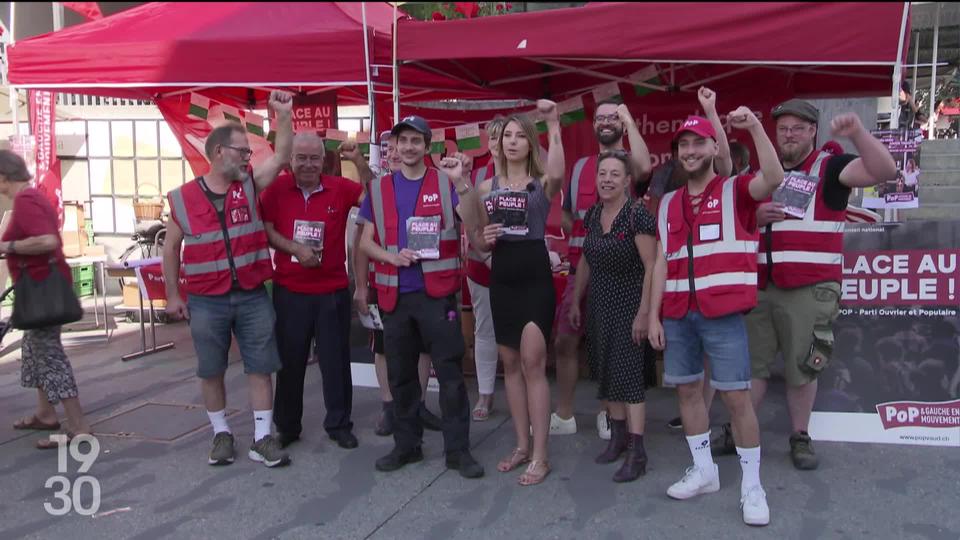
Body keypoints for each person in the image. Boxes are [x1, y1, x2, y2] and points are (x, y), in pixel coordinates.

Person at [711, 99, 898, 471]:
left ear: (813, 131)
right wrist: (756, 215)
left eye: (798, 128)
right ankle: (739, 431)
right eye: (783, 128)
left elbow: (885, 169)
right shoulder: (766, 168)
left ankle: (800, 435)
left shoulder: (831, 167)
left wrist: (857, 133)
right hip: (761, 286)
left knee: (802, 368)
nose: (789, 135)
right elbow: (735, 213)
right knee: (753, 369)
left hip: (810, 288)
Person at [648, 107, 784, 526]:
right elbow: (661, 262)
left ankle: (752, 485)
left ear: (714, 148)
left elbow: (774, 179)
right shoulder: (668, 202)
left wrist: (755, 126)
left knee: (737, 399)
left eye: (697, 143)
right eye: (683, 145)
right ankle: (704, 470)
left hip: (722, 314)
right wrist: (653, 316)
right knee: (687, 393)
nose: (689, 151)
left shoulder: (736, 190)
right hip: (677, 315)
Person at [163, 90, 294, 468]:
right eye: (242, 151)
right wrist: (174, 297)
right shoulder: (182, 198)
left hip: (252, 294)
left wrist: (282, 115)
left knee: (260, 366)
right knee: (211, 369)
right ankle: (221, 434)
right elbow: (171, 249)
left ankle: (262, 439)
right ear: (220, 152)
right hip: (207, 300)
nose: (248, 158)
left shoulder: (249, 184)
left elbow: (282, 155)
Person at [358, 115, 485, 478]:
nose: (409, 147)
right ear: (394, 147)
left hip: (438, 296)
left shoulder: (446, 183)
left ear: (427, 147)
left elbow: (474, 224)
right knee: (401, 376)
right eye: (403, 141)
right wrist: (391, 257)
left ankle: (458, 451)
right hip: (395, 297)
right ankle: (407, 445)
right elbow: (366, 242)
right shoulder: (379, 189)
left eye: (416, 141)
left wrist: (462, 181)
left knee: (449, 375)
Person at [260, 133, 374, 450]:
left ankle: (339, 424)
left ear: (323, 159)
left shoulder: (339, 188)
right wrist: (295, 247)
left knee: (335, 361)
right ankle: (288, 426)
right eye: (301, 158)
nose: (308, 165)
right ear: (290, 159)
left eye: (314, 158)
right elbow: (267, 230)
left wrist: (360, 162)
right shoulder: (276, 188)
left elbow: (375, 198)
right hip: (290, 290)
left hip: (332, 290)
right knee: (290, 361)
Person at [473, 101, 565, 486]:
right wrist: (485, 237)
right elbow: (476, 241)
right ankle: (521, 444)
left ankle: (541, 455)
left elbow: (557, 172)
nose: (512, 142)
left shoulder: (540, 184)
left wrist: (553, 123)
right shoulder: (484, 188)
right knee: (509, 365)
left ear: (530, 143)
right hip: (501, 278)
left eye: (519, 136)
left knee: (532, 362)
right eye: (506, 135)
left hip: (534, 276)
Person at [554, 98, 652, 438]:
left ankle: (607, 414)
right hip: (581, 266)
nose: (606, 122)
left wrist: (630, 119)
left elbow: (642, 167)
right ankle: (564, 415)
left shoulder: (628, 164)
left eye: (614, 117)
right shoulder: (581, 166)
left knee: (612, 347)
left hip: (619, 273)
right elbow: (567, 214)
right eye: (601, 118)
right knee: (566, 340)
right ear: (593, 125)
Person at [567, 150, 657, 482]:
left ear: (627, 181)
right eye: (602, 173)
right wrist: (576, 301)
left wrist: (645, 312)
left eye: (614, 174)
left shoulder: (638, 215)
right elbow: (586, 260)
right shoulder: (592, 214)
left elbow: (652, 266)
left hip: (631, 305)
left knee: (630, 379)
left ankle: (638, 451)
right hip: (600, 306)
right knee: (608, 374)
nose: (607, 179)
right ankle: (618, 439)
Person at [353, 132, 443, 437]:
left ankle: (417, 405)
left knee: (421, 347)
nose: (394, 153)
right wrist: (362, 286)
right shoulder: (374, 192)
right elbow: (360, 244)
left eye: (399, 147)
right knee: (383, 348)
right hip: (385, 285)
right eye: (389, 149)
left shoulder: (428, 185)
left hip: (423, 286)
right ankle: (390, 406)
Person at [0, 150, 92, 450]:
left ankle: (79, 426)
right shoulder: (31, 197)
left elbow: (48, 240)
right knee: (33, 350)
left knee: (50, 357)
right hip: (39, 289)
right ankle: (45, 413)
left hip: (42, 290)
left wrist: (8, 245)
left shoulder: (26, 201)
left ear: (3, 177)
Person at [465, 117, 506, 421]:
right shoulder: (476, 178)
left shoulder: (531, 177)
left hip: (519, 270)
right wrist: (492, 261)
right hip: (482, 269)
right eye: (492, 138)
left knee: (521, 335)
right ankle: (485, 394)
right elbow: (469, 229)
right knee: (486, 330)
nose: (497, 144)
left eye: (503, 137)